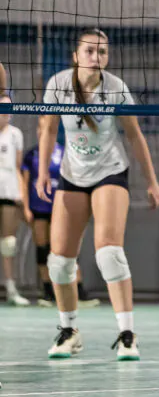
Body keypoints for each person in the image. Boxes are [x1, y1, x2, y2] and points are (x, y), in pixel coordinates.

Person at [37, 29, 159, 360]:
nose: (96, 57)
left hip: (110, 171)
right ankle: (69, 331)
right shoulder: (58, 84)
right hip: (72, 174)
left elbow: (134, 136)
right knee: (59, 262)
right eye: (89, 51)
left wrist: (152, 181)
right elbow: (48, 128)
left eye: (102, 52)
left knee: (109, 252)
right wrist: (42, 174)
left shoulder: (116, 87)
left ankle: (127, 334)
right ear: (76, 56)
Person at [20, 121, 99, 308]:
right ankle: (48, 291)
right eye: (39, 127)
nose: (42, 131)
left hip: (60, 207)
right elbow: (25, 182)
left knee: (66, 249)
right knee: (42, 249)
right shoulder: (32, 155)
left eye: (45, 127)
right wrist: (25, 208)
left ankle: (78, 290)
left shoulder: (64, 151)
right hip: (38, 207)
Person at [0, 98, 28, 306]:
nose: (6, 112)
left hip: (9, 192)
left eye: (9, 108)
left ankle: (11, 288)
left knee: (9, 243)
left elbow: (18, 167)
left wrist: (23, 197)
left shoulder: (15, 134)